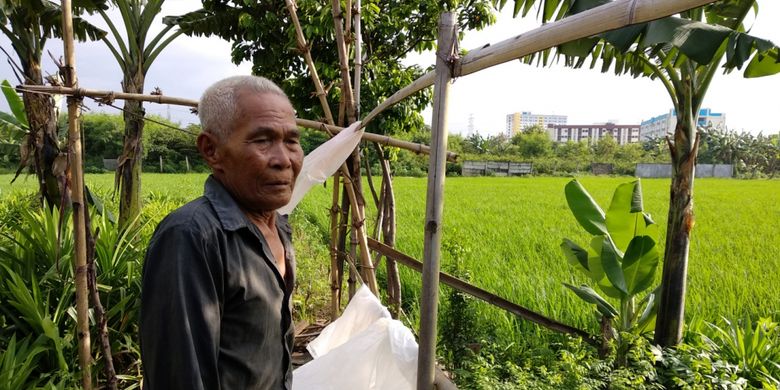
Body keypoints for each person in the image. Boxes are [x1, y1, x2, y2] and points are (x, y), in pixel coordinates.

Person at [140, 75, 304, 390]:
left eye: (292, 141)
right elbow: (180, 378)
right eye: (262, 140)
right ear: (212, 150)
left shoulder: (278, 224)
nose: (284, 160)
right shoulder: (191, 237)